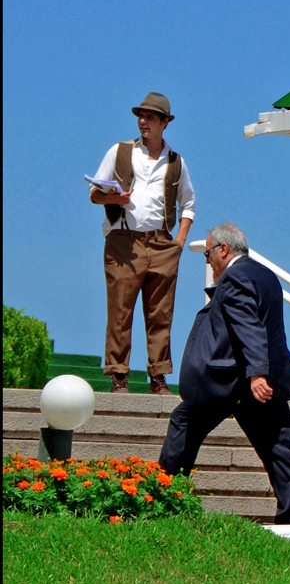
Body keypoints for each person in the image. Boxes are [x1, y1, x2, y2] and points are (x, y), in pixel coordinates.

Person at [159, 222, 290, 524]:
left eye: (207, 255)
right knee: (278, 448)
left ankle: (163, 497)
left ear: (223, 250)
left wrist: (256, 374)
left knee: (184, 422)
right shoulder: (265, 275)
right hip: (258, 382)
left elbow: (249, 327)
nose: (208, 262)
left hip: (233, 382)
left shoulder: (236, 278)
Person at [90, 92, 196, 395]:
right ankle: (118, 376)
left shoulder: (176, 162)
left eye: (150, 117)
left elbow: (189, 205)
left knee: (161, 314)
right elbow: (94, 194)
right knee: (120, 310)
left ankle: (159, 378)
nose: (143, 121)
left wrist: (178, 242)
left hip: (161, 243)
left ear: (164, 123)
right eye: (141, 116)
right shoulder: (120, 152)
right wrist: (113, 198)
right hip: (123, 240)